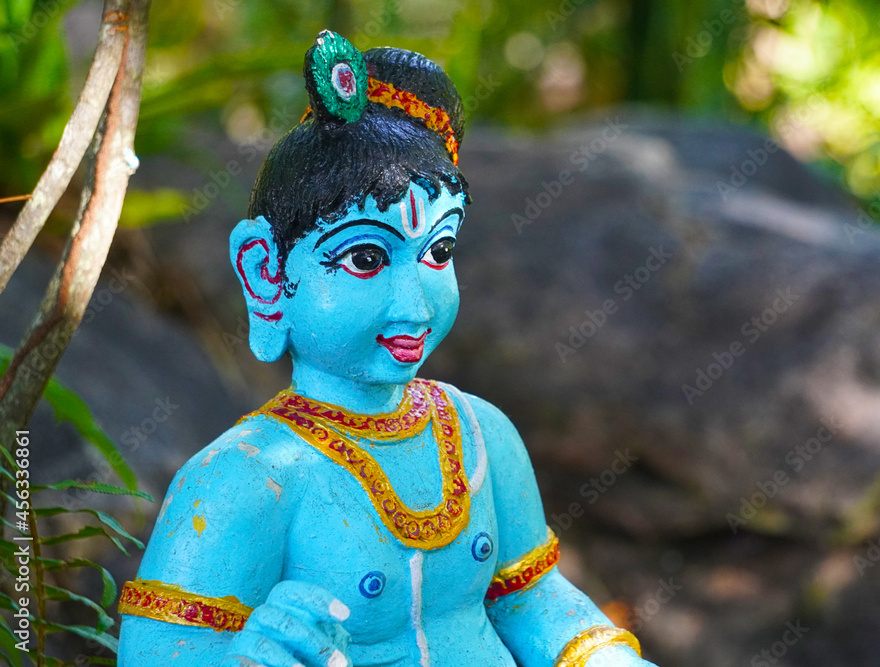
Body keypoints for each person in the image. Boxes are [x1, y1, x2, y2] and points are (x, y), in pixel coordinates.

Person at [117, 31, 653, 667]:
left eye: (438, 251)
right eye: (366, 257)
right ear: (265, 272)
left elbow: (530, 600)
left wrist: (602, 657)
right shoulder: (247, 476)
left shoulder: (482, 436)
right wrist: (244, 657)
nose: (415, 305)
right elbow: (157, 652)